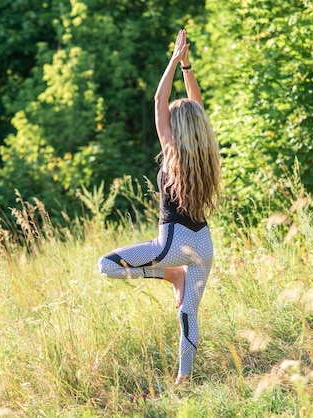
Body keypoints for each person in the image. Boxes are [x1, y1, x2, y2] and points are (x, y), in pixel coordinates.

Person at [98, 29, 221, 386]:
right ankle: (184, 379)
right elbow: (195, 106)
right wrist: (188, 67)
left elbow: (157, 101)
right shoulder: (205, 154)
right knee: (188, 313)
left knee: (107, 266)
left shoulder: (172, 153)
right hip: (204, 245)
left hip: (172, 246)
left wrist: (173, 59)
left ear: (175, 128)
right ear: (198, 126)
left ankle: (171, 275)